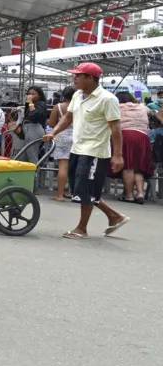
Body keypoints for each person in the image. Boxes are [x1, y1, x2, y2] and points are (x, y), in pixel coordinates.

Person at [44, 63, 127, 239]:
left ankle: (82, 228)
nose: (75, 79)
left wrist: (118, 155)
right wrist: (53, 132)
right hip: (77, 148)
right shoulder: (77, 95)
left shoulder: (107, 99)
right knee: (79, 188)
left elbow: (116, 128)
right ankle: (114, 216)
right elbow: (68, 117)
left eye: (78, 76)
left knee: (85, 188)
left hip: (95, 151)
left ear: (90, 78)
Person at [115, 90, 153, 204]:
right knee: (138, 167)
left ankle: (129, 196)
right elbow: (151, 112)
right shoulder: (142, 107)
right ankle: (140, 194)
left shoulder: (117, 107)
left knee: (128, 167)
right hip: (142, 137)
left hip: (125, 136)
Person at [47, 86, 75, 201]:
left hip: (62, 136)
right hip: (78, 136)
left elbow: (52, 124)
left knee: (63, 166)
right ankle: (73, 192)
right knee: (76, 166)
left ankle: (60, 194)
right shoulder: (80, 107)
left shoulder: (58, 107)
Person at [19, 86, 49, 163]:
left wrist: (30, 103)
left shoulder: (40, 104)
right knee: (23, 157)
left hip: (33, 130)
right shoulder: (32, 105)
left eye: (33, 94)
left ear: (39, 95)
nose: (30, 95)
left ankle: (35, 174)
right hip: (30, 130)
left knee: (32, 156)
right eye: (29, 94)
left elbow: (34, 115)